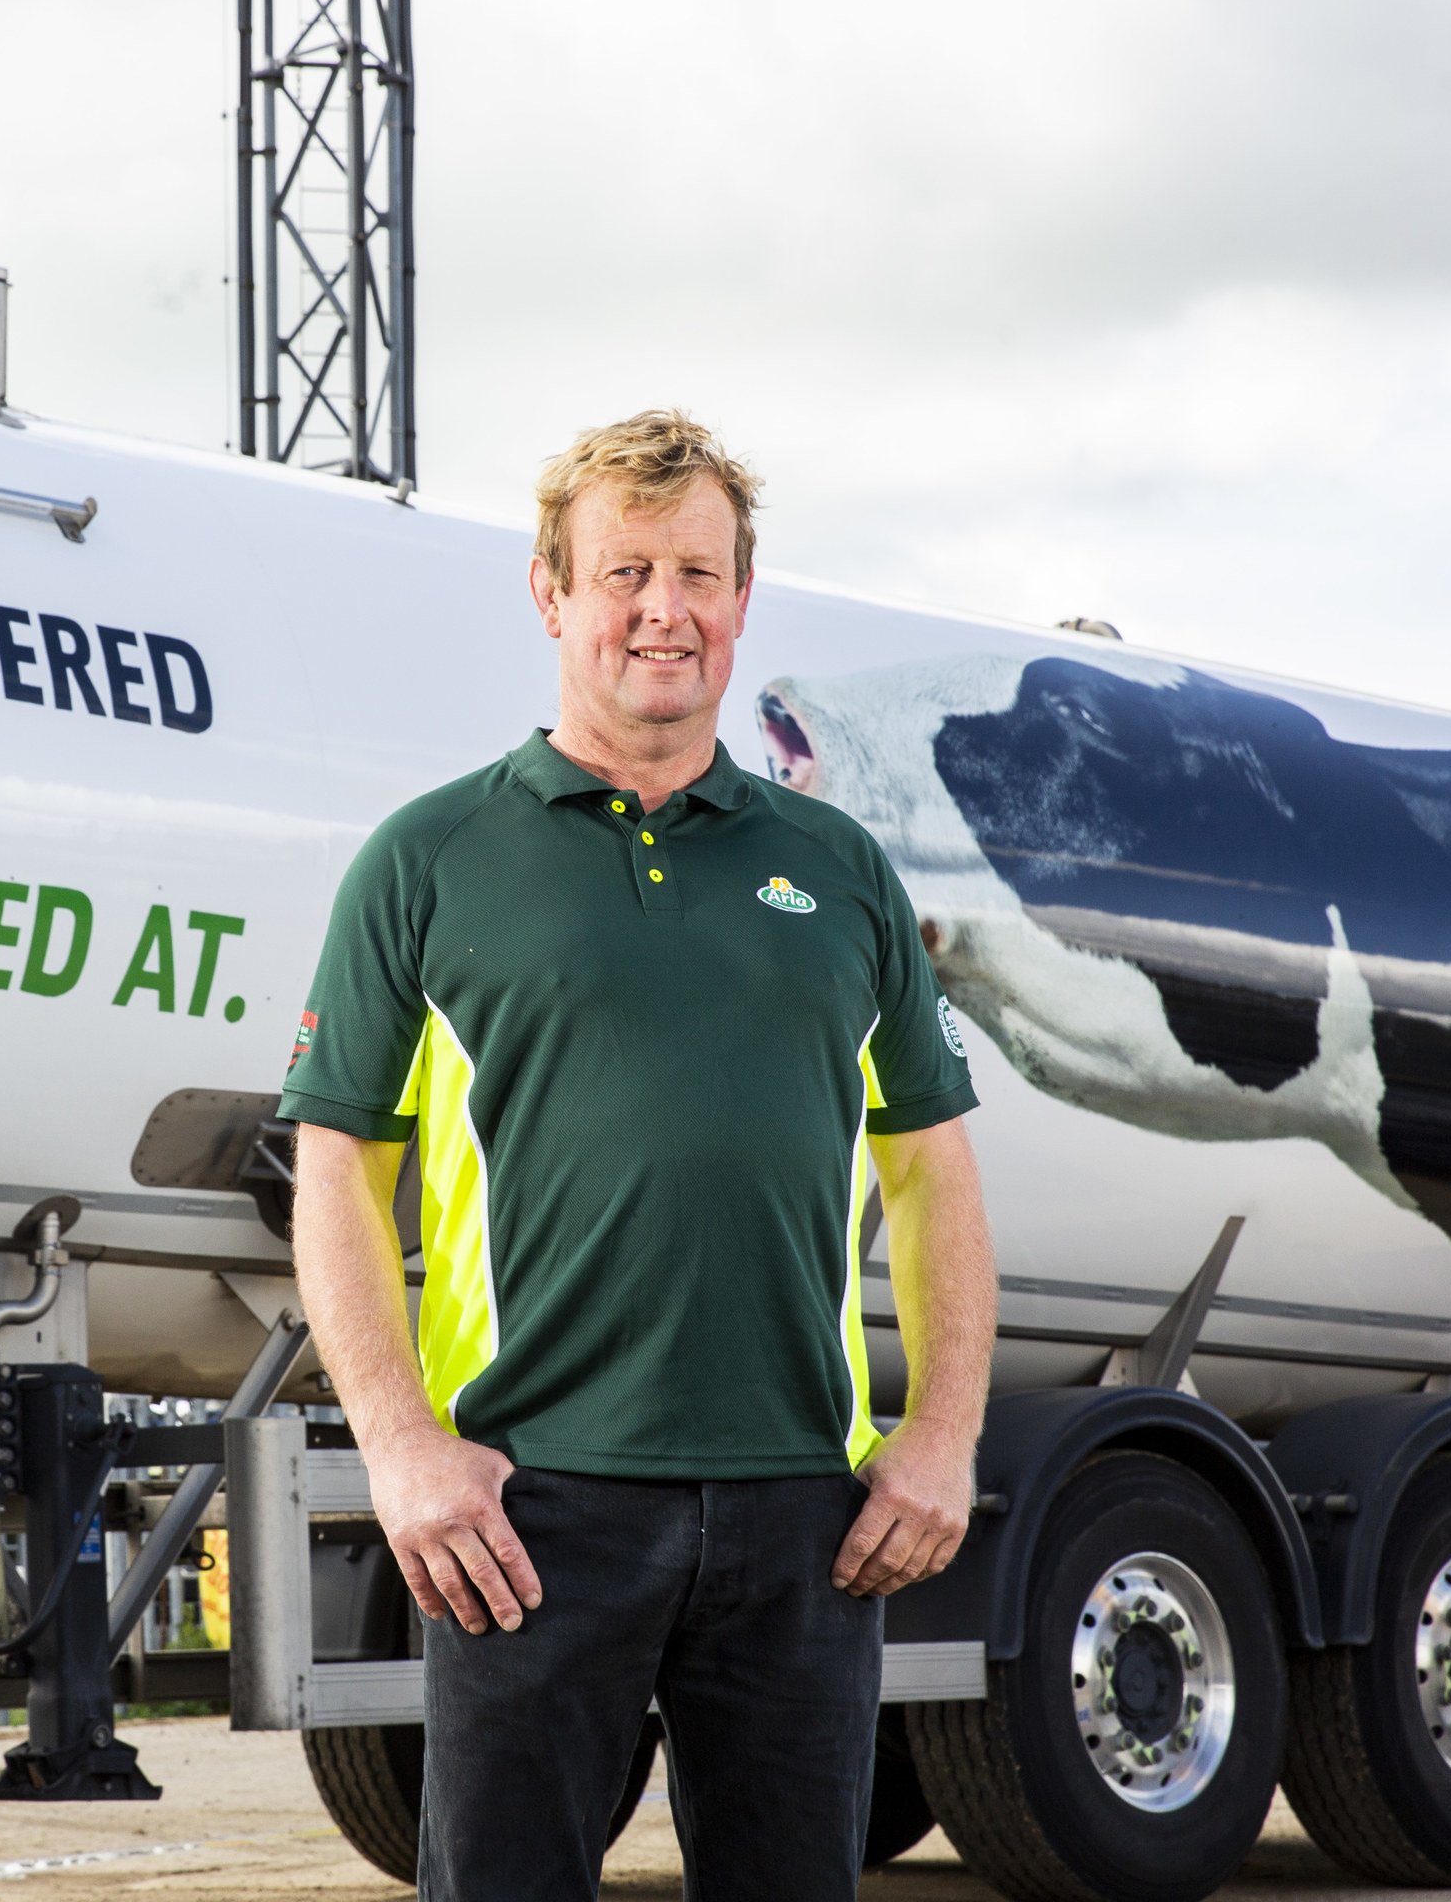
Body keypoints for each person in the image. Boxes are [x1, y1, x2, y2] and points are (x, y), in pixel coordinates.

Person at [279, 410, 998, 1901]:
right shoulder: (429, 860)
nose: (662, 609)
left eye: (699, 573)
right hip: (530, 1511)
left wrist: (937, 1437)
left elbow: (932, 1171)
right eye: (624, 572)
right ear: (551, 591)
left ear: (742, 598)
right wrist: (406, 1452)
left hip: (808, 1515)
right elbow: (340, 1174)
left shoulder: (839, 870)